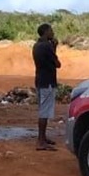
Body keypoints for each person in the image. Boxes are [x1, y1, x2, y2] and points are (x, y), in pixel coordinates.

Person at [32, 23, 61, 151]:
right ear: (46, 32)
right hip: (48, 81)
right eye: (51, 30)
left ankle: (43, 138)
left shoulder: (36, 45)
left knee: (43, 110)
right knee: (44, 112)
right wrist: (54, 48)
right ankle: (41, 141)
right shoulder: (46, 46)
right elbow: (57, 64)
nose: (52, 32)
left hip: (40, 80)